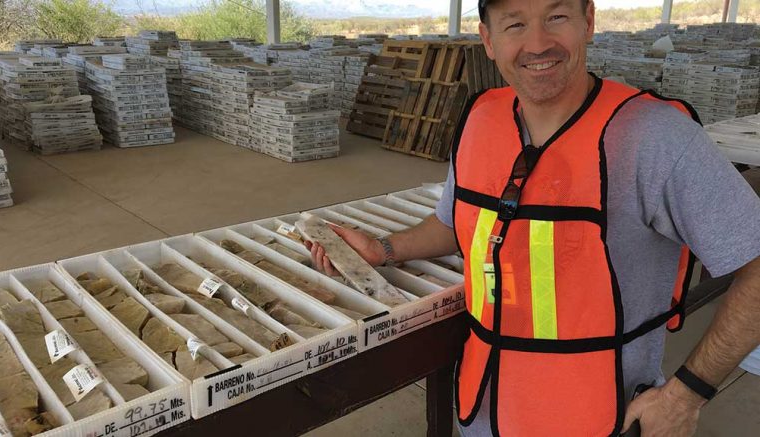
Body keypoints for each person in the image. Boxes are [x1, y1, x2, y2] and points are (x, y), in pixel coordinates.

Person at [306, 0, 760, 435]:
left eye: (556, 15)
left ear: (588, 21)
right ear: (488, 38)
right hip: (483, 412)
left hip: (595, 420)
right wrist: (385, 249)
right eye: (515, 23)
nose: (538, 42)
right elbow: (456, 223)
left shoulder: (654, 137)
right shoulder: (482, 121)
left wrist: (687, 396)